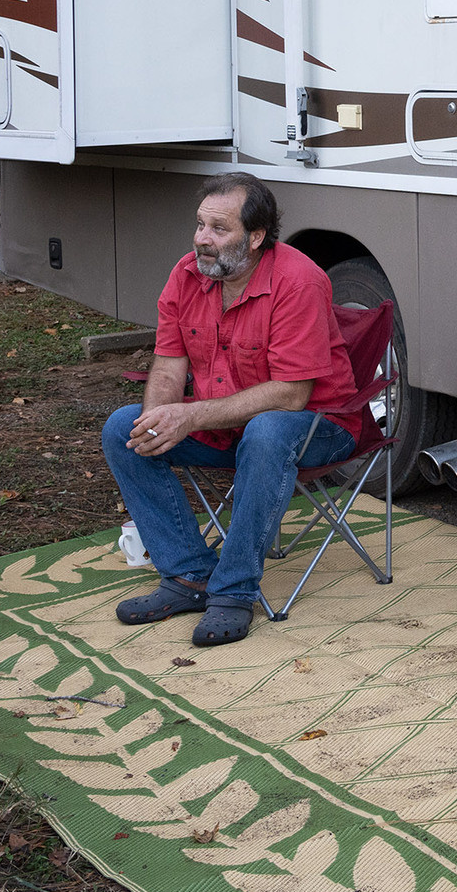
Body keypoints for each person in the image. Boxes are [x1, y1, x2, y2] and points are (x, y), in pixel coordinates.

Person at [101, 172, 359, 646]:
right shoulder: (185, 274)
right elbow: (167, 364)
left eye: (219, 229)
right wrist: (158, 420)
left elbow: (291, 395)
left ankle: (234, 591)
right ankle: (190, 576)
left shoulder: (298, 281)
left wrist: (191, 416)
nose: (203, 239)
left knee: (267, 431)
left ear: (255, 237)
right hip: (232, 425)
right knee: (123, 428)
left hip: (320, 426)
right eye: (200, 225)